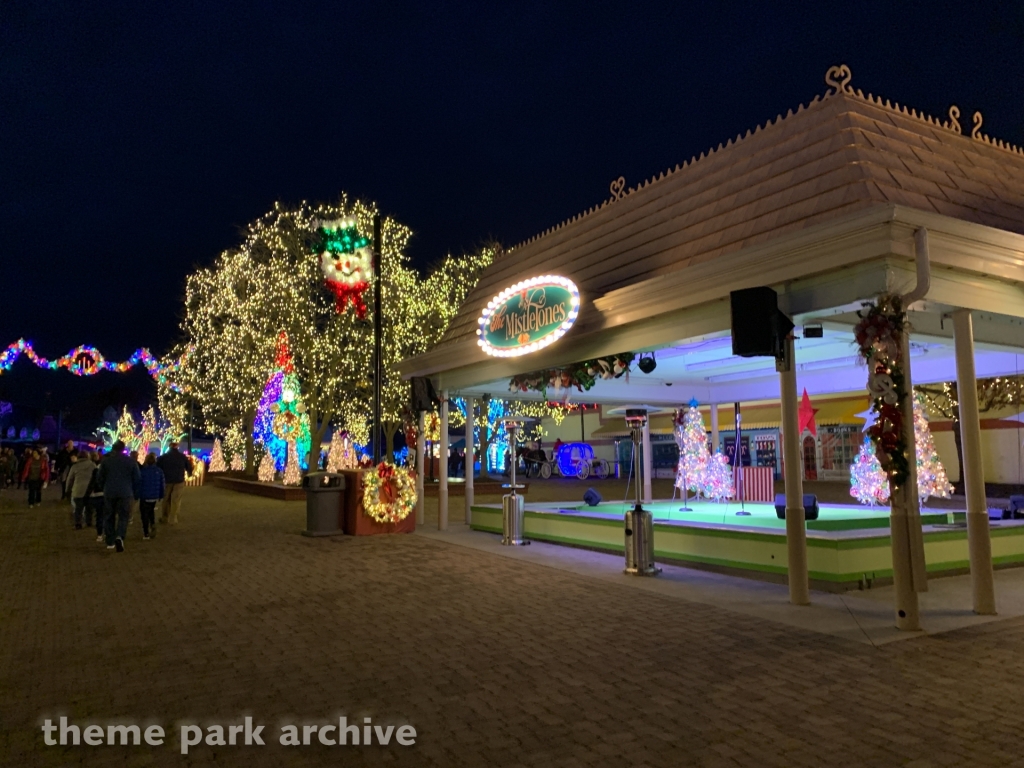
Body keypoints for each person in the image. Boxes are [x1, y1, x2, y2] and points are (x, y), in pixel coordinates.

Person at [96, 440, 140, 552]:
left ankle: (110, 540)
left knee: (109, 516)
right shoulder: (130, 461)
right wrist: (134, 491)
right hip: (125, 492)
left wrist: (103, 487)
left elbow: (99, 477)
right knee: (123, 516)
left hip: (109, 491)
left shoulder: (106, 461)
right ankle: (120, 536)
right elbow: (137, 478)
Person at [157, 440, 192, 525]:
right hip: (179, 480)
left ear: (169, 447)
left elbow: (157, 467)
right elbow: (189, 467)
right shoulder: (182, 456)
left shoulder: (163, 457)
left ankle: (165, 517)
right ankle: (173, 518)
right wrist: (189, 473)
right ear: (177, 447)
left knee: (166, 499)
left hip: (167, 480)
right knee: (176, 500)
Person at [65, 451, 97, 530]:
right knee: (89, 508)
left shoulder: (75, 466)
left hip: (78, 490)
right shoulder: (92, 465)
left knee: (78, 509)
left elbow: (70, 479)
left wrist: (67, 490)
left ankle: (78, 523)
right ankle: (88, 522)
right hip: (90, 490)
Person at [138, 453, 164, 540]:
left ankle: (146, 533)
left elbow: (139, 483)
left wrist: (137, 494)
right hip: (154, 495)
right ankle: (152, 523)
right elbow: (162, 484)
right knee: (151, 511)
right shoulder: (159, 471)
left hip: (144, 496)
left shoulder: (143, 471)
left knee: (144, 514)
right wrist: (161, 495)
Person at [87, 451, 105, 540]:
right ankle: (107, 532)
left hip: (97, 494)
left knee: (99, 514)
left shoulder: (96, 470)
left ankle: (99, 534)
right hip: (107, 494)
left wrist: (88, 494)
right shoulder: (110, 470)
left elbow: (92, 483)